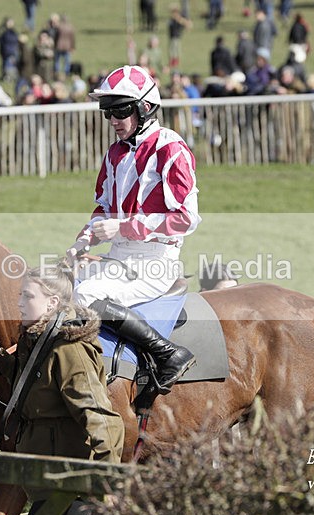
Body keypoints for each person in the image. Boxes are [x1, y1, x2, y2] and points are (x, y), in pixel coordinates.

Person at [66, 65, 200, 393]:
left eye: (120, 110)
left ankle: (168, 354)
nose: (113, 120)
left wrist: (124, 227)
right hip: (120, 259)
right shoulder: (114, 153)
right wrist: (81, 242)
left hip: (155, 263)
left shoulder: (170, 147)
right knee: (57, 291)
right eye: (107, 112)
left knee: (84, 295)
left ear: (145, 107)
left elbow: (186, 218)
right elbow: (103, 210)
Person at [0, 266, 124, 515]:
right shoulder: (39, 342)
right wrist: (1, 360)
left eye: (28, 297)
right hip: (51, 480)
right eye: (20, 296)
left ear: (52, 303)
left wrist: (107, 479)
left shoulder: (69, 349)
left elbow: (101, 418)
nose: (19, 303)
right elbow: (38, 384)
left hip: (71, 485)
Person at [0, 17, 20, 84]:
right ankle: (6, 76)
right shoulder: (5, 32)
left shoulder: (12, 32)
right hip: (5, 51)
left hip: (11, 51)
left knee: (10, 65)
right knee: (6, 64)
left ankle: (10, 77)